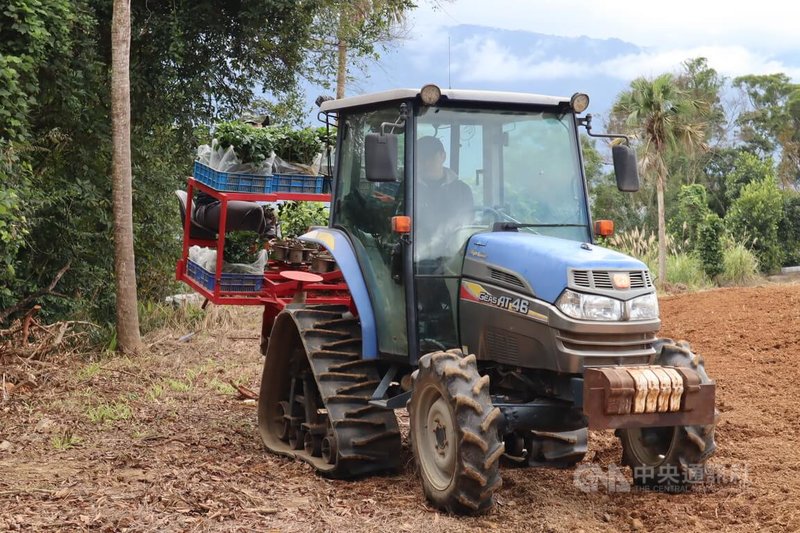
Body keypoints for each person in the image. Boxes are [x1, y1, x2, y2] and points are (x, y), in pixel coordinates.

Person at [193, 113, 274, 237]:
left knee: (268, 220)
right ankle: (247, 249)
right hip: (209, 209)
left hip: (230, 208)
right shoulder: (227, 151)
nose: (261, 130)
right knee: (255, 211)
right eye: (257, 126)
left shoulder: (255, 160)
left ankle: (249, 250)